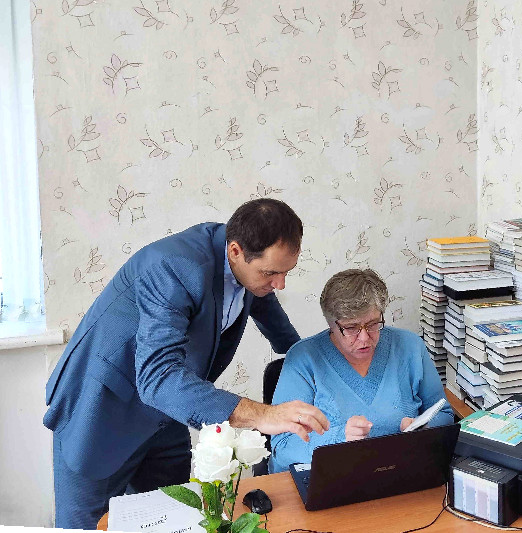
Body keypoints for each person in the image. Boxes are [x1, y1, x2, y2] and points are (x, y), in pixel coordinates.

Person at [43, 198, 330, 529]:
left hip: (164, 415)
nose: (280, 284)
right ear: (236, 251)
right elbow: (159, 379)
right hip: (100, 412)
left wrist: (318, 366)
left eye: (285, 272)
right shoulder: (173, 267)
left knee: (175, 521)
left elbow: (272, 317)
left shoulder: (249, 268)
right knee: (83, 528)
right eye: (271, 273)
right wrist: (264, 415)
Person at [269, 268, 453, 473]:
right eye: (351, 328)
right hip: (334, 477)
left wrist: (424, 429)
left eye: (373, 324)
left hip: (402, 472)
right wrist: (339, 439)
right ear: (331, 324)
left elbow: (444, 413)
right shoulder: (304, 359)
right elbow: (283, 446)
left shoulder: (410, 346)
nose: (365, 338)